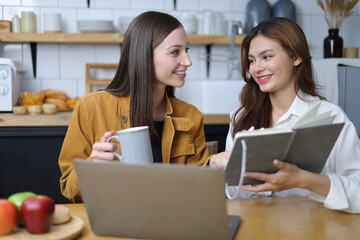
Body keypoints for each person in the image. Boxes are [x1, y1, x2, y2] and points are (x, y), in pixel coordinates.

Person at [210, 17, 360, 214]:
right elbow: (232, 195)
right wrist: (222, 167)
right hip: (254, 227)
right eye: (252, 60)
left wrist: (305, 180)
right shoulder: (241, 118)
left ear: (296, 57)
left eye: (267, 57)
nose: (256, 68)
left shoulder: (329, 116)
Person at [59, 11, 210, 203]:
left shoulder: (191, 116)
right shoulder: (90, 108)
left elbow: (198, 190)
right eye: (175, 52)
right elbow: (69, 189)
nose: (187, 61)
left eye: (186, 50)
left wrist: (214, 165)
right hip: (113, 222)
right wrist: (92, 167)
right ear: (144, 55)